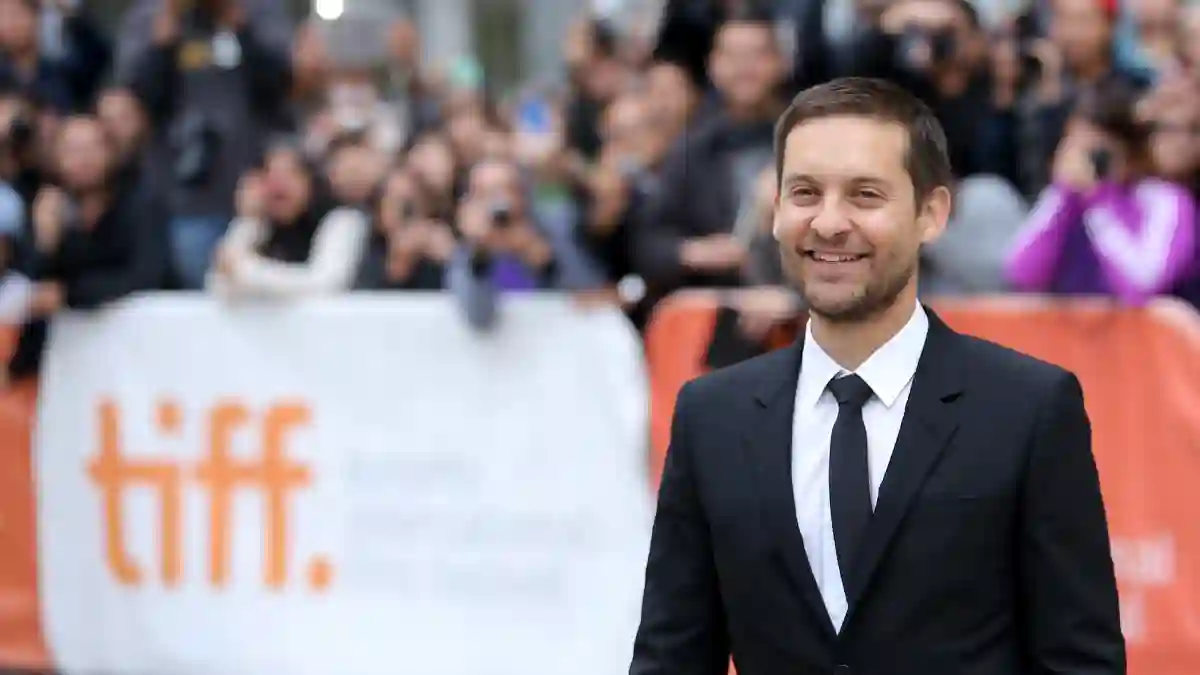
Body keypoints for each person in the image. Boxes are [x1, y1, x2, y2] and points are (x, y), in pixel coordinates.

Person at [629, 77, 1124, 675]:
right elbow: (671, 656)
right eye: (805, 192)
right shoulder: (712, 417)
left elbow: (1080, 662)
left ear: (930, 213)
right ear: (776, 209)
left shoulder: (1028, 409)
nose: (829, 223)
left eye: (865, 195)